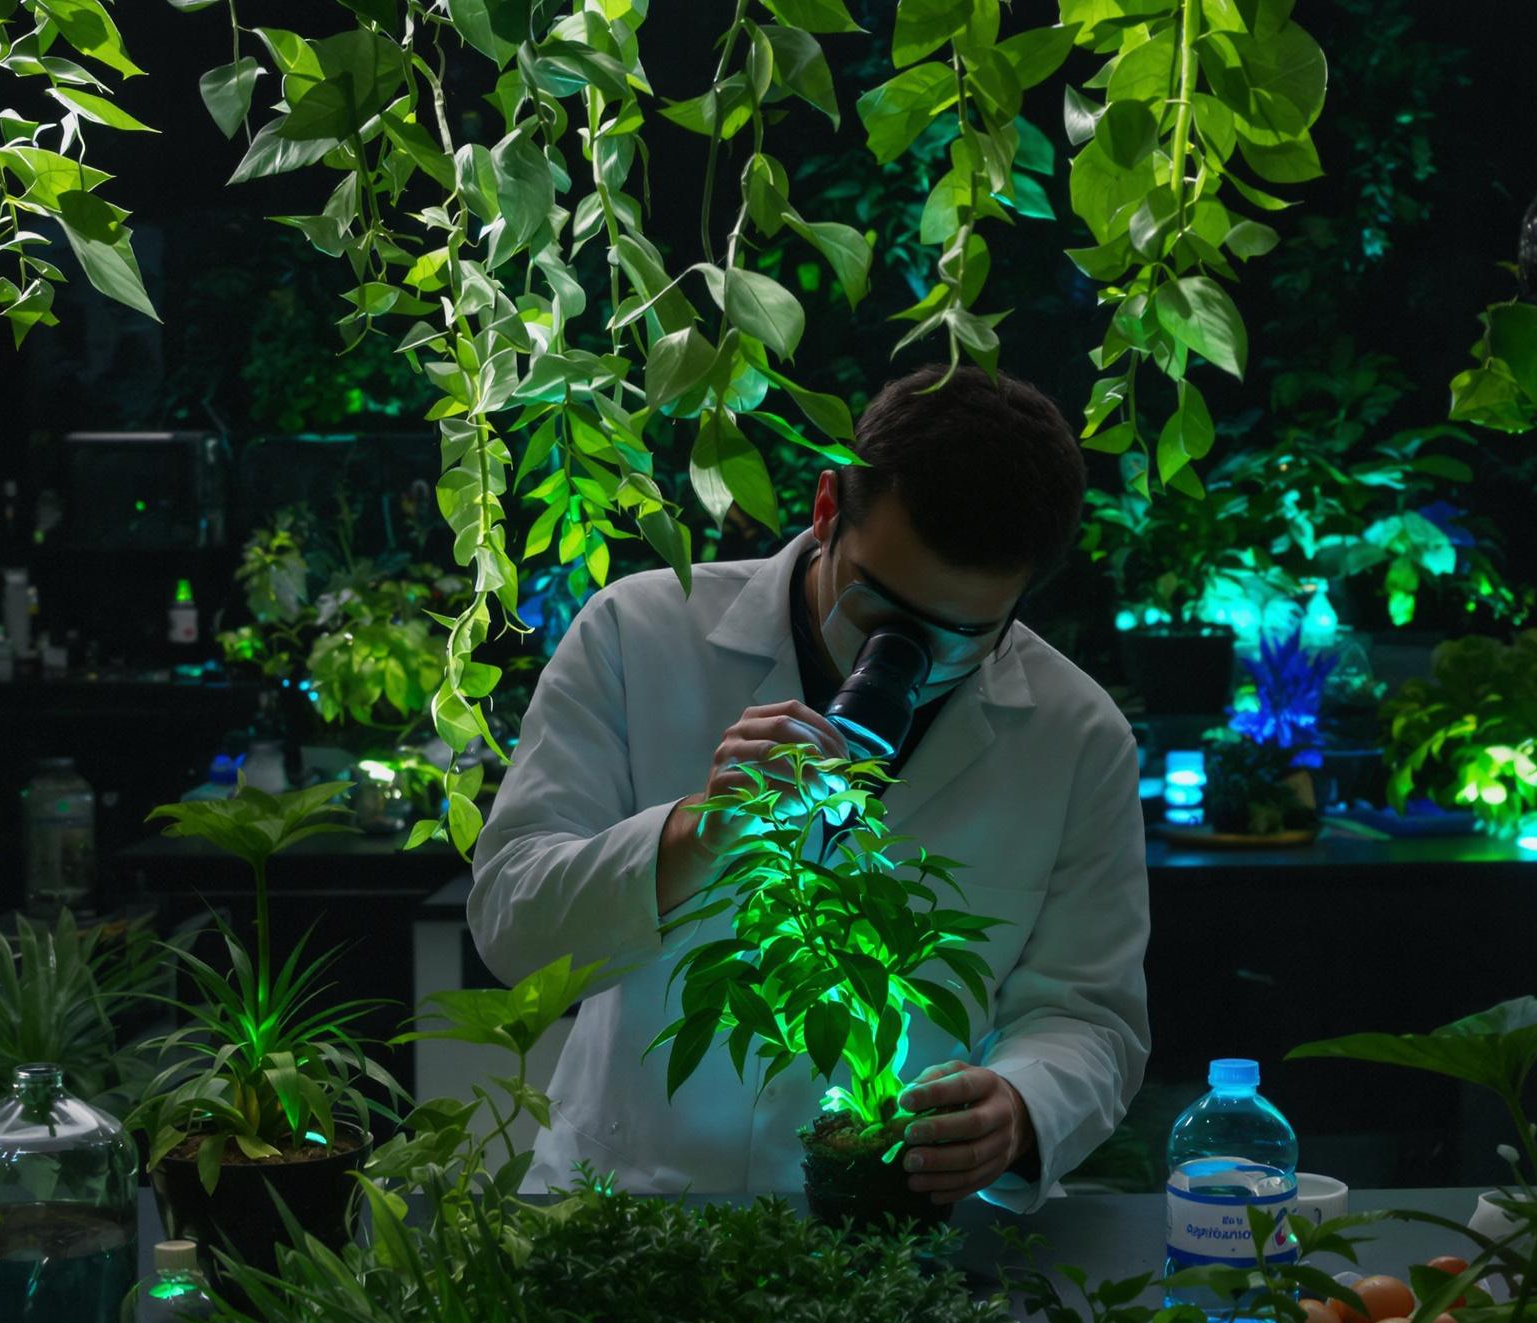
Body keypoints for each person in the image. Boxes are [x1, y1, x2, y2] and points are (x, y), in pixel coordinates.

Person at [468, 364, 1150, 1212]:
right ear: (827, 509)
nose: (908, 661)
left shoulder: (1075, 737)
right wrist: (696, 832)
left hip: (890, 1236)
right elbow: (513, 928)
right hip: (624, 1209)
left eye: (961, 637)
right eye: (880, 612)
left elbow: (1089, 1015)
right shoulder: (636, 634)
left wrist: (1020, 1109)